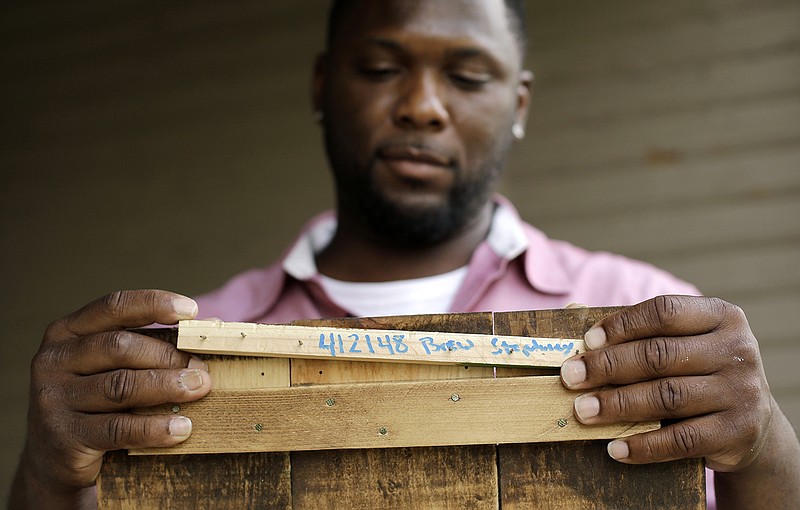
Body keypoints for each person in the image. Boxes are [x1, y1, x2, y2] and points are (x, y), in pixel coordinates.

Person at [10, 1, 800, 508]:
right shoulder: (188, 349)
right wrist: (47, 472)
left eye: (466, 74)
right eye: (382, 68)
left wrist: (761, 439)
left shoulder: (646, 317)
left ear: (518, 104)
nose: (422, 106)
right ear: (322, 85)